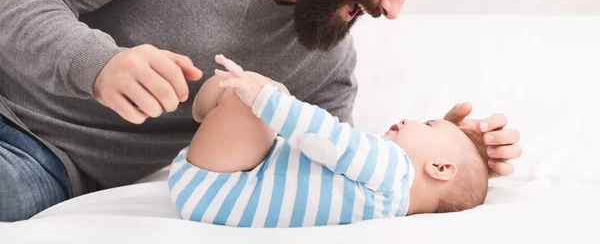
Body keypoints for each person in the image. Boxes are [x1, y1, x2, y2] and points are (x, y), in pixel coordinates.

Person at [0, 0, 521, 222]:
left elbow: (331, 174)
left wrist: (444, 162)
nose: (392, 9)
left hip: (42, 160)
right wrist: (97, 64)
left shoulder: (326, 59)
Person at [169, 55, 488, 226]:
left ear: (440, 168)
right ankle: (213, 106)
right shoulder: (389, 208)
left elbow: (327, 136)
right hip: (218, 191)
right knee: (262, 98)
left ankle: (204, 104)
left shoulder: (395, 168)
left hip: (219, 185)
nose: (409, 119)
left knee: (256, 92)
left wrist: (265, 100)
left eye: (430, 124)